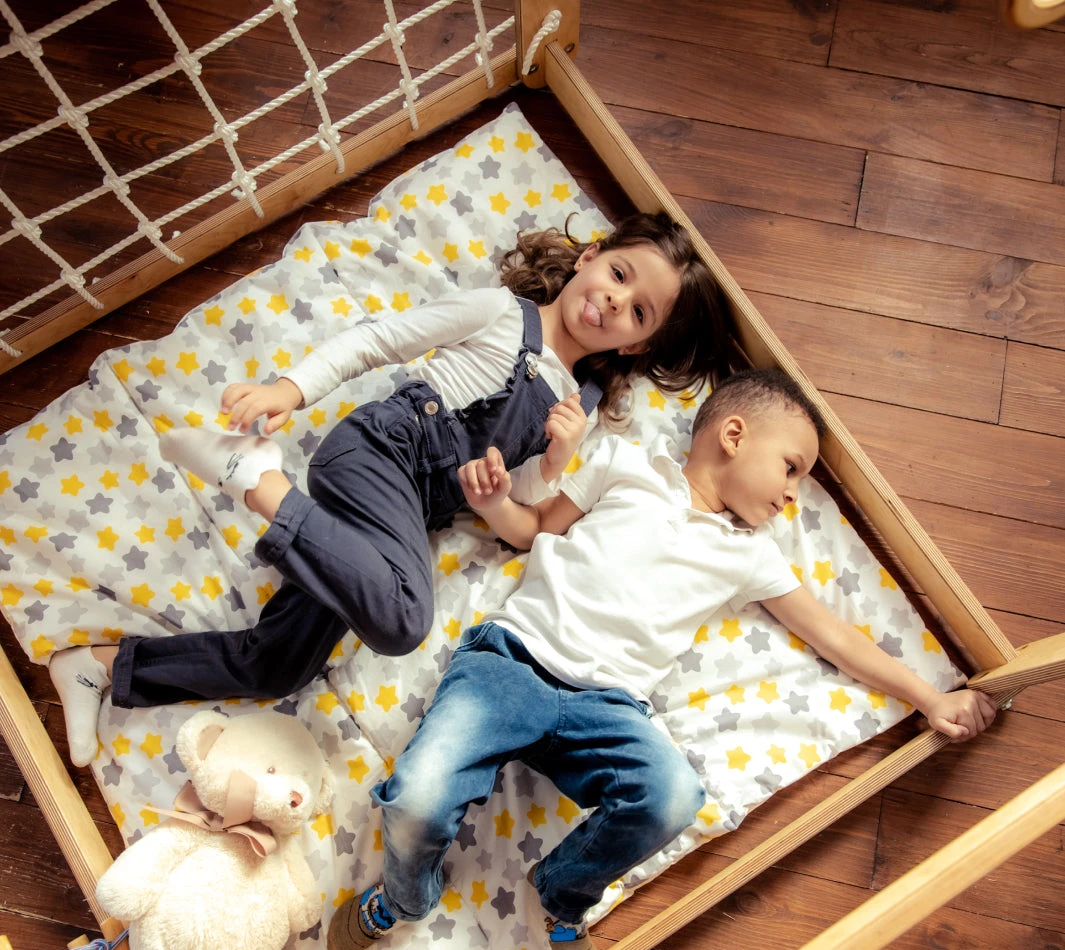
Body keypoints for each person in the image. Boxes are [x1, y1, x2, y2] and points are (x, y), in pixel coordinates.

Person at [325, 367, 998, 950]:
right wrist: (498, 501)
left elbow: (836, 636)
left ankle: (562, 891)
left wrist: (931, 696)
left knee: (673, 794)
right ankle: (406, 895)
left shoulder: (749, 554)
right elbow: (532, 531)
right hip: (513, 660)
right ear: (732, 435)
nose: (793, 495)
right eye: (790, 468)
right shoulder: (625, 465)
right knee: (416, 797)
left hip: (608, 706)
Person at [48, 211, 733, 767]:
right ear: (589, 256)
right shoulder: (500, 313)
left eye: (638, 312)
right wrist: (287, 390)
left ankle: (102, 667)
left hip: (406, 513)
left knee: (279, 665)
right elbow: (378, 340)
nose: (614, 301)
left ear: (638, 345)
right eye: (618, 274)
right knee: (405, 619)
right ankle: (261, 485)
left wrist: (551, 460)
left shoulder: (577, 406)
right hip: (380, 452)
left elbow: (515, 501)